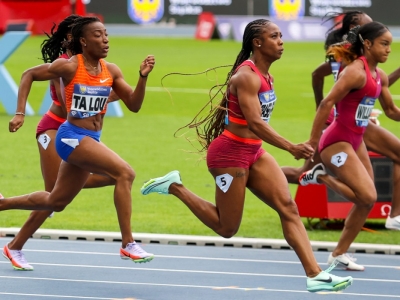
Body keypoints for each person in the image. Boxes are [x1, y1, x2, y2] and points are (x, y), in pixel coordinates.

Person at [139, 19, 353, 293]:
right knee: (227, 228)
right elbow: (255, 122)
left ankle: (315, 274)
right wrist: (291, 147)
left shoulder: (266, 76)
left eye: (281, 36)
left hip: (254, 151)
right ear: (257, 42)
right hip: (229, 154)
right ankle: (174, 186)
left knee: (288, 207)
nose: (281, 41)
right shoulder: (246, 76)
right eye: (274, 36)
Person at [0, 16, 155, 266]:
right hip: (62, 132)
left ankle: (3, 205)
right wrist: (19, 113)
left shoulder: (110, 70)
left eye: (106, 34)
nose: (105, 39)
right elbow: (36, 79)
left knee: (56, 201)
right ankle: (128, 244)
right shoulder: (67, 66)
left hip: (89, 136)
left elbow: (133, 105)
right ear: (80, 40)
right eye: (97, 34)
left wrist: (142, 77)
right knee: (124, 173)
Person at [281, 10, 400, 233]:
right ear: (357, 28)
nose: (373, 24)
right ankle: (259, 174)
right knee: (301, 173)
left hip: (358, 123)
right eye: (368, 23)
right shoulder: (346, 57)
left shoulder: (357, 56)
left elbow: (377, 86)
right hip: (340, 124)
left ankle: (394, 216)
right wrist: (322, 108)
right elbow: (320, 76)